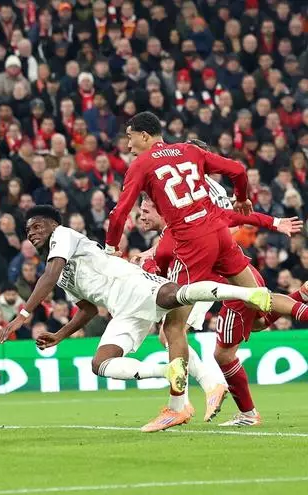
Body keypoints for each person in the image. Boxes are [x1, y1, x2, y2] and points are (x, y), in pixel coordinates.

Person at [2, 206, 272, 432]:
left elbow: (48, 274)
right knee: (101, 364)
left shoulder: (63, 236)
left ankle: (247, 294)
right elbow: (89, 310)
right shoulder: (60, 274)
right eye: (28, 231)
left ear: (53, 225)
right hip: (122, 310)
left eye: (37, 226)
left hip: (132, 284)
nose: (32, 234)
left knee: (177, 300)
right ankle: (171, 373)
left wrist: (24, 314)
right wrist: (60, 335)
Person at [104, 111, 262, 423]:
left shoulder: (143, 163)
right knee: (260, 297)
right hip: (219, 233)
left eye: (130, 136)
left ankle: (176, 409)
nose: (128, 144)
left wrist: (111, 247)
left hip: (193, 243)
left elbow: (120, 211)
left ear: (146, 136)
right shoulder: (190, 151)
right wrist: (243, 198)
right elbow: (238, 169)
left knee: (173, 326)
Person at [139, 195, 308, 427]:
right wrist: (274, 222)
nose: (140, 216)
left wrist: (147, 264)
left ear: (162, 210)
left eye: (146, 211)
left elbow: (168, 278)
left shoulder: (177, 234)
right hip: (239, 275)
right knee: (258, 321)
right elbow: (231, 216)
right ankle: (302, 295)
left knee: (221, 353)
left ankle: (245, 413)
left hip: (228, 289)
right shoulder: (185, 224)